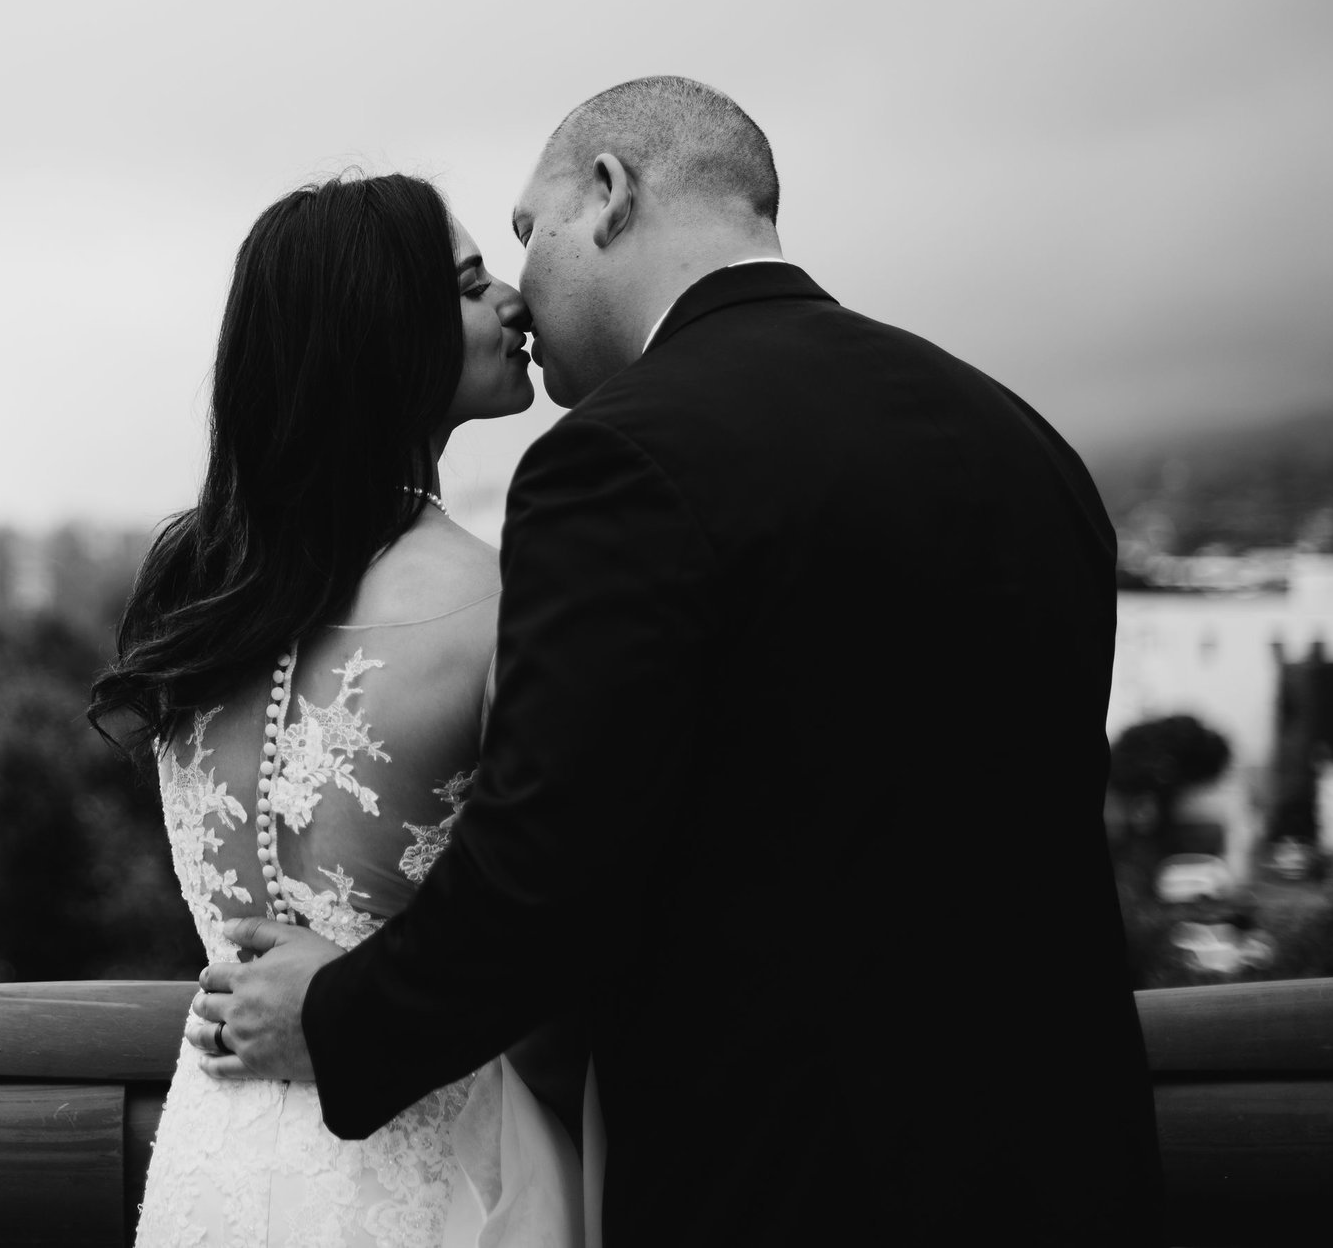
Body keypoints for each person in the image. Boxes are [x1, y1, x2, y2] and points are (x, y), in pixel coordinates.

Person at [189, 78, 1165, 1246]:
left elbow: (543, 873)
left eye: (523, 235)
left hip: (779, 1184)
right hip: (1067, 1171)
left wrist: (339, 1021)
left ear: (605, 197)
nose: (520, 294)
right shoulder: (1025, 444)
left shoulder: (619, 460)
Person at [94, 172, 591, 1246]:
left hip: (218, 1163)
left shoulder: (196, 593)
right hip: (431, 1168)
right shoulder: (502, 604)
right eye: (468, 286)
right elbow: (554, 921)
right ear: (387, 337)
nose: (513, 298)